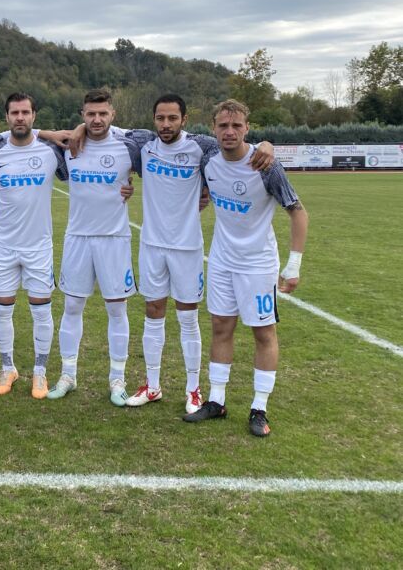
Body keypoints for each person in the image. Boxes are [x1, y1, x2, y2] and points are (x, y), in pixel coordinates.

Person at [68, 94, 273, 413]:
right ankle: (152, 385)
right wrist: (82, 126)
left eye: (172, 119)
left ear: (184, 119)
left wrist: (267, 145)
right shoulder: (143, 143)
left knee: (188, 318)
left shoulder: (201, 146)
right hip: (151, 245)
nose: (166, 125)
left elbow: (234, 140)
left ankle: (193, 390)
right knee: (153, 313)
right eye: (160, 119)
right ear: (153, 120)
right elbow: (100, 125)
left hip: (188, 247)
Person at [183, 99, 307, 437]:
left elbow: (298, 212)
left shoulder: (264, 165)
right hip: (222, 260)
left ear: (247, 128)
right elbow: (168, 132)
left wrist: (293, 265)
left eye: (236, 126)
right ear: (213, 128)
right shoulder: (208, 156)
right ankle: (216, 401)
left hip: (258, 264)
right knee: (221, 328)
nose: (229, 131)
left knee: (263, 333)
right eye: (223, 125)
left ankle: (259, 408)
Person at [48, 90, 141, 405]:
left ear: (112, 114)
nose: (97, 119)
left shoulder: (129, 143)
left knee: (117, 309)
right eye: (90, 114)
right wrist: (77, 131)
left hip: (114, 239)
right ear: (82, 115)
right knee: (72, 307)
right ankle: (68, 375)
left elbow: (179, 145)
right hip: (78, 238)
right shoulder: (70, 144)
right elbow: (28, 133)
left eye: (102, 113)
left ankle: (117, 380)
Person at [0, 92, 68, 399]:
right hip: (3, 246)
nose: (20, 117)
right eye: (14, 112)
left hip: (38, 247)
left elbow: (77, 172)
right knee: (2, 311)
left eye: (25, 112)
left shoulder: (50, 152)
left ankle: (40, 372)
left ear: (34, 116)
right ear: (7, 118)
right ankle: (8, 368)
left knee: (41, 311)